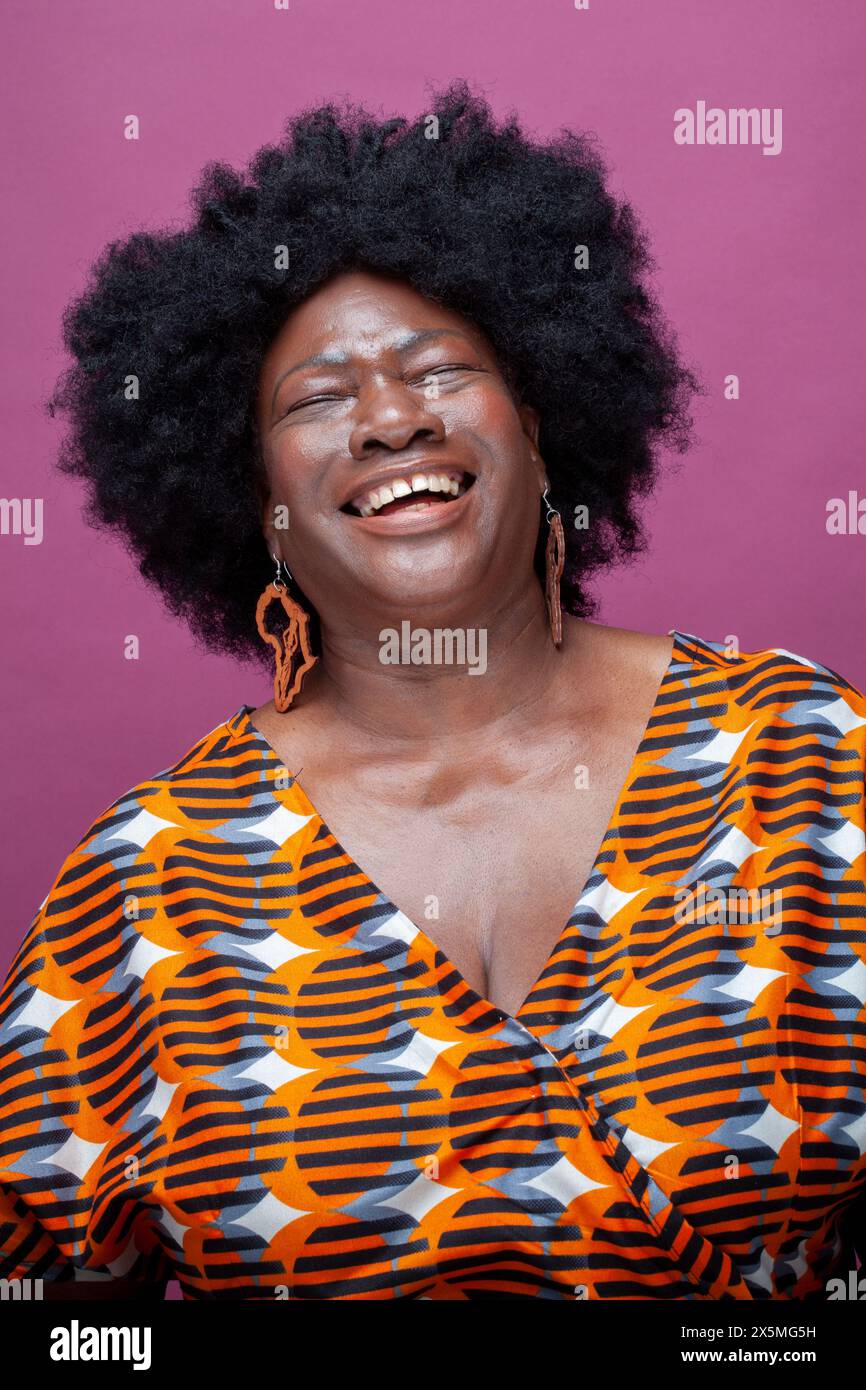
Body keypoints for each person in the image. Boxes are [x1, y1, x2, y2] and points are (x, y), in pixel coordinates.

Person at [1, 81, 864, 1302]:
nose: (391, 419)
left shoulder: (801, 757)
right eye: (317, 399)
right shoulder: (147, 880)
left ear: (541, 421)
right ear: (263, 513)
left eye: (437, 370)